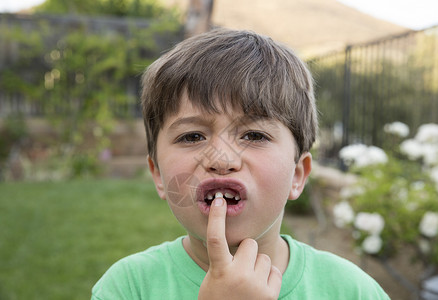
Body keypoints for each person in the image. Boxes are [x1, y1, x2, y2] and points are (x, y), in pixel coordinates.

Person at [91, 28, 390, 299]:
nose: (221, 160)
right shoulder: (127, 288)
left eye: (254, 135)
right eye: (192, 136)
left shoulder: (352, 291)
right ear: (157, 174)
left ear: (297, 175)